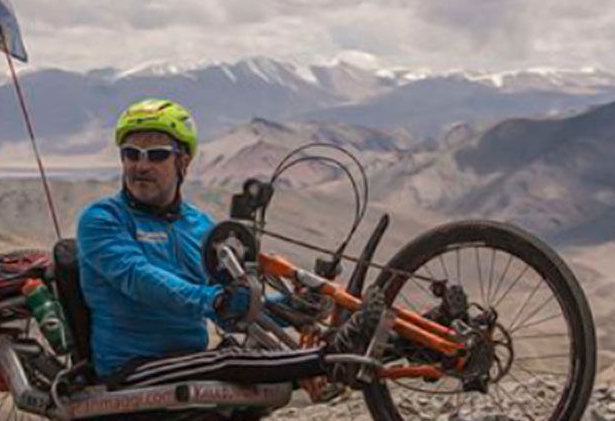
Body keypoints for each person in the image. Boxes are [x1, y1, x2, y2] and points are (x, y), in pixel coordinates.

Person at [75, 98, 385, 388]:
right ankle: (333, 360)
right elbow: (138, 278)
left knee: (244, 352)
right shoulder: (102, 219)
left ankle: (384, 345)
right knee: (230, 360)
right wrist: (216, 301)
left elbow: (233, 310)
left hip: (189, 361)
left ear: (183, 162)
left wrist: (291, 307)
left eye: (156, 154)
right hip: (131, 369)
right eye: (131, 153)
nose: (141, 165)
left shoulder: (199, 227)